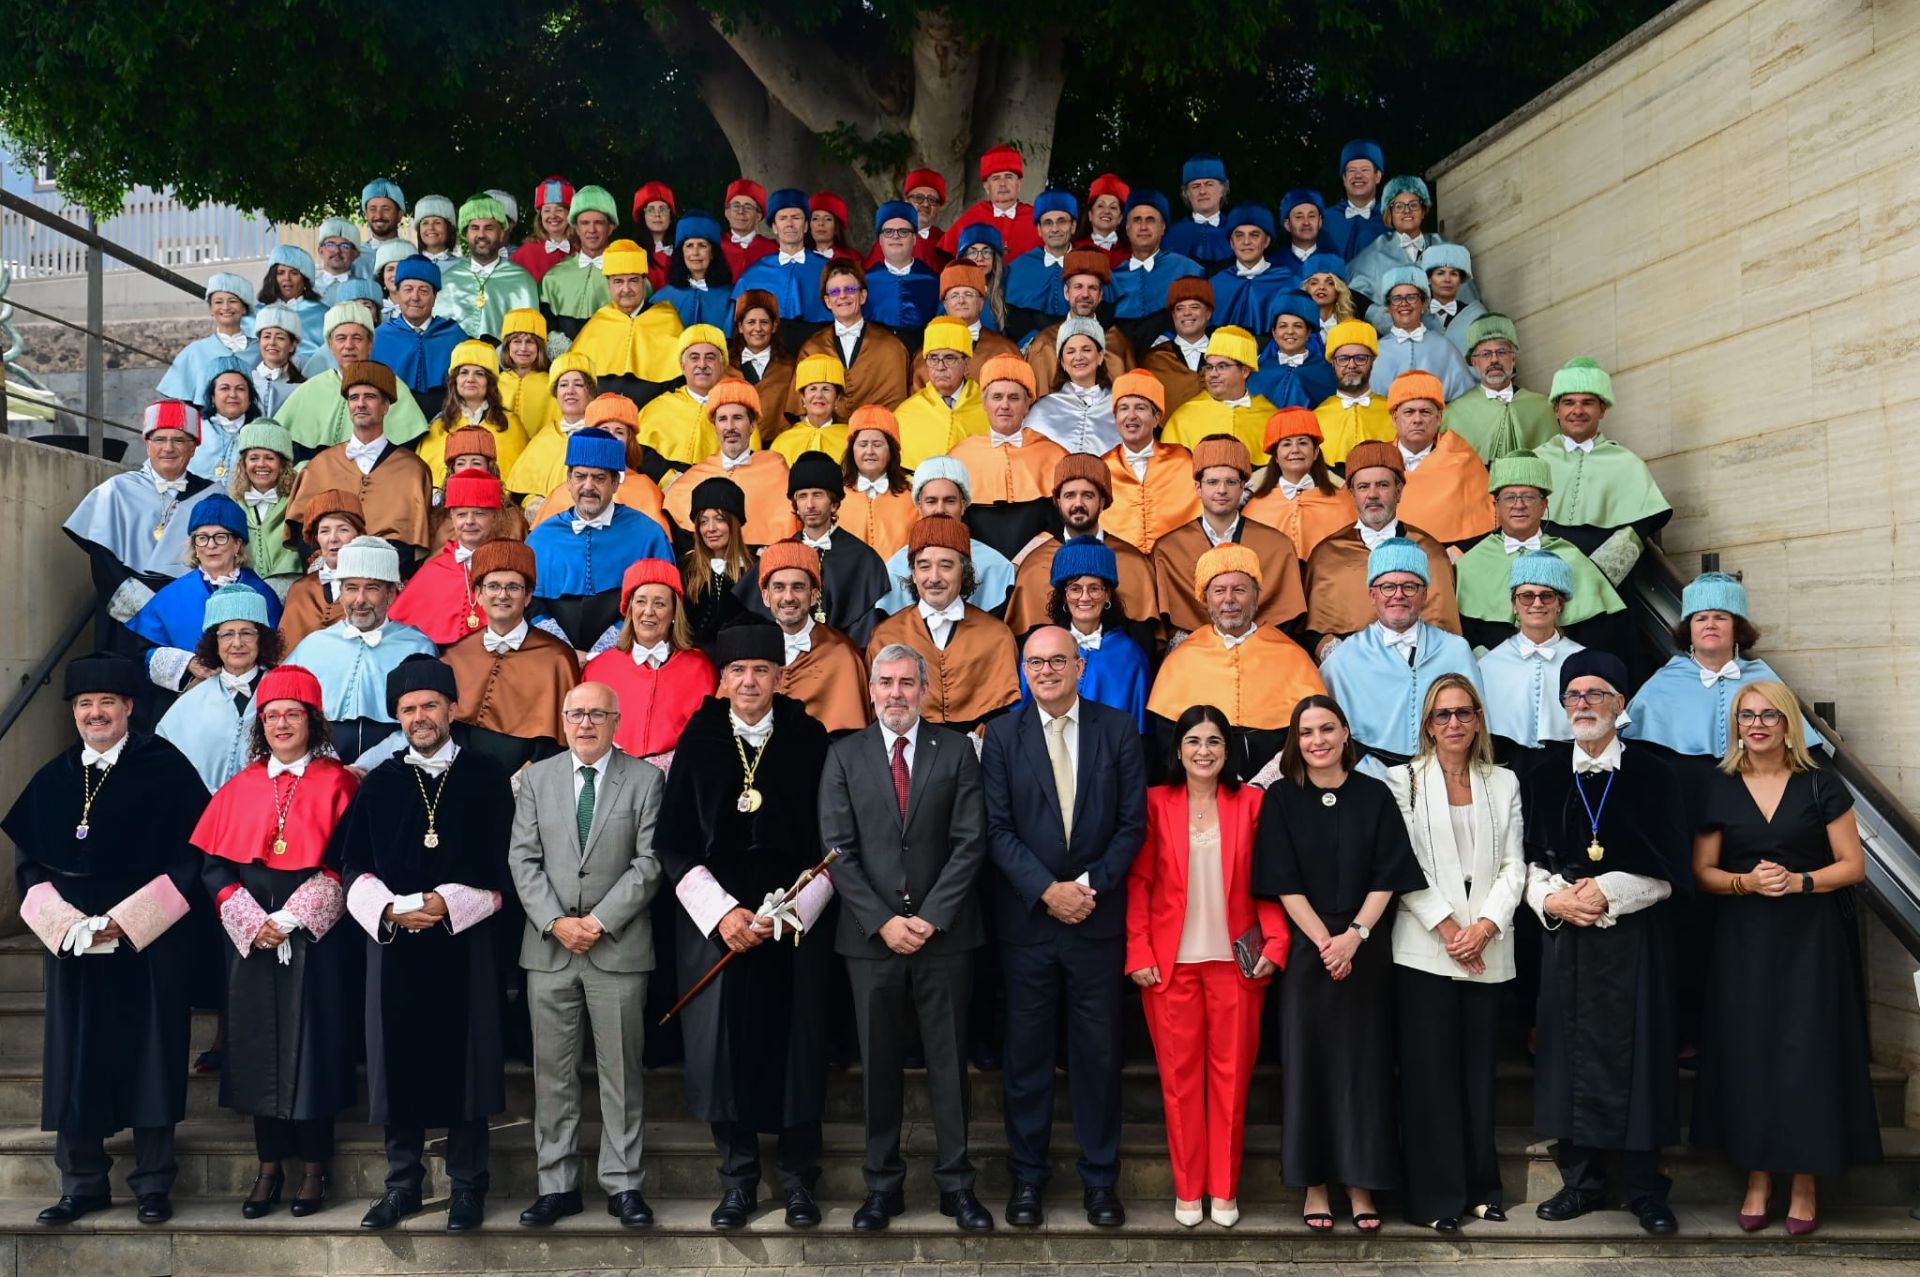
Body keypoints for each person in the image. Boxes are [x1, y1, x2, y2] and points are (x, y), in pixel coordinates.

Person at [8, 654, 208, 1225]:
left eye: (106, 703)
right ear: (74, 712)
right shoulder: (53, 778)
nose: (95, 713)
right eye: (84, 704)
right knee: (74, 1059)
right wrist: (65, 923)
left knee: (152, 1057)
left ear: (128, 708)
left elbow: (190, 860)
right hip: (74, 943)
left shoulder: (167, 769)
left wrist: (129, 921)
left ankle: (153, 1184)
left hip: (148, 942)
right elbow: (28, 866)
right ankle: (82, 1183)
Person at [653, 621, 837, 1229]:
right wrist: (723, 914)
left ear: (780, 676)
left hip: (794, 923)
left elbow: (835, 839)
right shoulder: (698, 739)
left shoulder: (809, 739)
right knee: (723, 1053)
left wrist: (792, 911)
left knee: (797, 1049)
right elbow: (673, 844)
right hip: (718, 925)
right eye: (738, 671)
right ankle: (737, 1180)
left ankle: (799, 1179)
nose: (750, 681)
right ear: (723, 679)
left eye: (762, 670)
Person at [1690, 681, 1880, 1236]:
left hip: (1811, 939)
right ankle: (1758, 1177)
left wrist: (1799, 881)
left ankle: (1804, 1181)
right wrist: (1745, 883)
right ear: (1736, 725)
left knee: (1807, 1053)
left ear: (1788, 723)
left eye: (1769, 715)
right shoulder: (1719, 787)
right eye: (1747, 715)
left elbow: (1852, 866)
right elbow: (1703, 872)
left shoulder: (1821, 784)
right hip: (1743, 939)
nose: (1757, 725)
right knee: (1749, 1053)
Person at [818, 643, 994, 1233]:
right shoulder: (844, 754)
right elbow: (836, 849)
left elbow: (971, 841)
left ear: (924, 690)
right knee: (878, 1066)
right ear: (871, 691)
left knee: (949, 1063)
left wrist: (931, 916)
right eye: (886, 683)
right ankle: (881, 1188)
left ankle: (957, 1186)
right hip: (871, 940)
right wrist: (884, 921)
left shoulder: (957, 750)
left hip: (945, 936)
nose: (896, 693)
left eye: (906, 683)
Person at [337, 657, 511, 1232]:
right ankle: (402, 1185)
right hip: (396, 946)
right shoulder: (380, 782)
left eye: (430, 705)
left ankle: (468, 1186)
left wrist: (447, 902)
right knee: (397, 1062)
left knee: (468, 1066)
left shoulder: (486, 776)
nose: (420, 717)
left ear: (452, 709)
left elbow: (505, 865)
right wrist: (388, 909)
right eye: (408, 709)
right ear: (398, 717)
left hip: (464, 943)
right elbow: (353, 866)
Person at [982, 626, 1148, 1228]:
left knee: (1097, 1057)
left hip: (1096, 920)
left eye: (1058, 660)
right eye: (1035, 662)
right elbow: (996, 828)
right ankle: (1027, 1178)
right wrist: (1047, 891)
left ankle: (1100, 1180)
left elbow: (1132, 823)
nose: (1047, 671)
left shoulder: (1117, 729)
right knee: (1027, 1057)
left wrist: (1088, 887)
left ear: (1081, 667)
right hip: (1029, 923)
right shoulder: (1002, 735)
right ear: (1023, 671)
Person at [1523, 650, 1689, 1236]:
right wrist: (1552, 900)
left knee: (1640, 1059)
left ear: (1620, 704)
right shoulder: (1542, 774)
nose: (1584, 704)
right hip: (1566, 938)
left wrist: (1607, 891)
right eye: (1574, 695)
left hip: (1635, 940)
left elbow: (1671, 869)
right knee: (1570, 1057)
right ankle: (1581, 1183)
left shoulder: (1655, 772)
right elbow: (1525, 861)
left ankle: (1644, 1189)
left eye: (1596, 694)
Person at [1251, 693, 1425, 1234]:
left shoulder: (1374, 794)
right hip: (1309, 951)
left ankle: (1360, 1182)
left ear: (1346, 733)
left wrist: (1354, 937)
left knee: (1363, 1068)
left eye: (1327, 729)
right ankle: (1315, 1184)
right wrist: (1327, 943)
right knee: (1308, 1066)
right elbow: (1282, 880)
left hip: (1364, 948)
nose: (1317, 741)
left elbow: (1389, 873)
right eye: (1306, 733)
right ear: (1294, 742)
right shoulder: (1281, 798)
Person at [190, 664, 357, 1220]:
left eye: (292, 714)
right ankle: (268, 1166)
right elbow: (214, 867)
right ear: (261, 725)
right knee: (258, 1048)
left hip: (314, 938)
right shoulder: (240, 786)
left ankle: (314, 1167)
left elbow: (348, 862)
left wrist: (293, 917)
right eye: (271, 716)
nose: (282, 724)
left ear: (313, 721)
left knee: (313, 1049)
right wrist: (249, 918)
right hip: (252, 939)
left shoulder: (339, 783)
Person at [507, 680, 664, 1230]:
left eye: (598, 714)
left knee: (621, 1073)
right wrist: (556, 922)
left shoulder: (645, 779)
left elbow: (649, 863)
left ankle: (624, 1185)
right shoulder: (536, 779)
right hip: (549, 948)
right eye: (576, 714)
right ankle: (557, 1186)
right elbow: (523, 859)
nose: (586, 724)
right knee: (552, 1075)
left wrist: (596, 922)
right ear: (563, 720)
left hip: (616, 946)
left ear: (617, 721)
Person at [1127, 703, 1286, 1227]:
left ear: (1228, 750)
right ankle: (1188, 1189)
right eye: (1193, 741)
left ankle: (1224, 1189)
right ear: (1177, 749)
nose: (1203, 750)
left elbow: (1268, 880)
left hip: (1237, 964)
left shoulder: (1252, 803)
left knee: (1231, 1082)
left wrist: (1276, 943)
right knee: (1179, 1083)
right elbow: (1140, 883)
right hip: (1169, 965)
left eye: (1214, 741)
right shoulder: (1154, 802)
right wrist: (1138, 950)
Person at [1384, 675, 1525, 1231]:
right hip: (1425, 948)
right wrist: (1449, 929)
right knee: (1429, 1079)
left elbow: (1515, 864)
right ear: (1427, 724)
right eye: (1442, 715)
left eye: (1464, 713)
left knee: (1477, 1078)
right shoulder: (1402, 780)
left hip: (1487, 947)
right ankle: (1435, 1200)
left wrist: (1486, 925)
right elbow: (1402, 863)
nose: (1454, 724)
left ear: (1478, 719)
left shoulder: (1504, 781)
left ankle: (1481, 1191)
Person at [1146, 546, 1326, 778]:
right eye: (1219, 591)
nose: (1229, 599)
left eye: (1239, 590)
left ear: (1257, 596)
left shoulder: (1292, 655)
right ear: (1206, 599)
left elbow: (1313, 732)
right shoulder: (1181, 658)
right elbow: (1167, 743)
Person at [63, 401, 217, 673]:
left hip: (189, 608)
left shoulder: (213, 495)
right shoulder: (116, 490)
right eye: (160, 439)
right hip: (128, 613)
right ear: (147, 444)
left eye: (179, 440)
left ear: (194, 447)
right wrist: (146, 611)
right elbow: (103, 561)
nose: (168, 448)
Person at [1319, 538, 1483, 766]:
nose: (1398, 595)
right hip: (1372, 776)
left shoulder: (1455, 650)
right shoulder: (1343, 659)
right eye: (1388, 587)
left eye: (1409, 586)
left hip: (1446, 772)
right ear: (1372, 595)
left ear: (1424, 594)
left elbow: (1477, 724)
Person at [1627, 571, 1821, 761]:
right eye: (1701, 618)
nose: (1710, 625)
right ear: (1689, 629)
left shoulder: (1763, 677)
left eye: (1720, 617)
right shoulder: (1663, 683)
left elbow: (1795, 749)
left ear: (1737, 628)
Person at [281, 536, 437, 760]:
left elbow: (426, 722)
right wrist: (326, 762)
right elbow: (285, 712)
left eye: (371, 588)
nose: (360, 599)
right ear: (341, 593)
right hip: (320, 762)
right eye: (351, 588)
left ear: (390, 594)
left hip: (394, 764)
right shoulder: (313, 645)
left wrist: (369, 764)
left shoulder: (417, 646)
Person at [1454, 456, 1627, 654]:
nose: (1519, 505)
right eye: (1510, 497)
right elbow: (1463, 630)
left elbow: (1596, 631)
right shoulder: (1471, 562)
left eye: (1528, 497)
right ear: (1496, 506)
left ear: (1544, 505)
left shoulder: (1571, 557)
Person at [525, 427, 675, 652]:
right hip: (553, 654)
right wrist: (564, 652)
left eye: (599, 478)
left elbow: (663, 603)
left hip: (627, 653)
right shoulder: (541, 537)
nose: (588, 486)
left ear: (615, 483)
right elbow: (530, 605)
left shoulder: (648, 534)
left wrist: (604, 651)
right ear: (568, 481)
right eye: (580, 476)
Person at [866, 516, 1019, 734]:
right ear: (914, 574)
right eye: (924, 566)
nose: (934, 577)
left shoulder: (997, 635)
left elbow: (1004, 715)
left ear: (963, 572)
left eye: (946, 566)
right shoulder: (885, 635)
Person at [1302, 440, 1461, 649]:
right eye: (1363, 487)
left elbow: (1444, 630)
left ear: (1399, 491)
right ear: (1352, 494)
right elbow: (1314, 633)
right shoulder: (1325, 555)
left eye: (1382, 485)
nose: (1372, 495)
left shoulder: (1430, 552)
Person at [438, 539, 580, 769]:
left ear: (528, 596)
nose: (502, 595)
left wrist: (520, 781)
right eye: (493, 586)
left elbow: (558, 741)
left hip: (528, 778)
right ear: (478, 594)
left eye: (513, 587)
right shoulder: (456, 654)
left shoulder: (558, 658)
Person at [127, 492, 284, 695]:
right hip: (188, 696)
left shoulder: (262, 594)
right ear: (194, 546)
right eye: (202, 538)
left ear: (237, 544)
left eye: (220, 536)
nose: (211, 545)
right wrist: (187, 663)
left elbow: (275, 652)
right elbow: (141, 652)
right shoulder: (171, 596)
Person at [1149, 435, 1305, 639]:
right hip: (1194, 652)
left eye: (1231, 482)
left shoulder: (1277, 546)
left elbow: (1288, 618)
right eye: (1212, 482)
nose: (1222, 490)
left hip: (1262, 650)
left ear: (1242, 487)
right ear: (1198, 488)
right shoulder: (1169, 549)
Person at [734, 452, 889, 647]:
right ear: (795, 505)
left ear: (834, 504)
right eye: (802, 496)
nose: (810, 505)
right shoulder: (777, 554)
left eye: (818, 495)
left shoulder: (863, 558)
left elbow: (865, 630)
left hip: (842, 655)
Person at [283, 361, 434, 561]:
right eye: (354, 397)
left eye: (369, 397)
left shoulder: (413, 470)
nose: (360, 404)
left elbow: (414, 544)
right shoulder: (319, 465)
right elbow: (303, 534)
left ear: (385, 406)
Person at [1530, 357, 1671, 567]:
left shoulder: (1627, 463)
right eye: (1569, 402)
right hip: (1540, 570)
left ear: (1602, 410)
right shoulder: (1534, 461)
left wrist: (1597, 572)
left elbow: (1638, 529)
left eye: (1587, 402)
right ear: (1556, 409)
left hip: (1602, 574)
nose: (1578, 410)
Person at [1002, 454, 1158, 640]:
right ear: (1058, 502)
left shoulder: (1133, 562)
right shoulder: (1034, 566)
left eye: (1087, 495)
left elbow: (1144, 643)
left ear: (1102, 501)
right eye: (1070, 495)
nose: (1078, 504)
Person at [580, 559, 718, 757]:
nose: (648, 611)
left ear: (674, 613)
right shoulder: (599, 668)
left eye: (659, 603)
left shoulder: (700, 668)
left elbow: (707, 736)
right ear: (629, 609)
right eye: (641, 601)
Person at [155, 585, 283, 792]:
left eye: (246, 633)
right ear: (215, 642)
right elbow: (164, 764)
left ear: (262, 639)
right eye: (227, 635)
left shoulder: (284, 690)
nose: (237, 643)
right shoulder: (190, 702)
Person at [739, 541, 872, 733]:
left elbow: (853, 740)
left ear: (814, 596)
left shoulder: (843, 655)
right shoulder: (747, 649)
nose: (788, 597)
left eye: (798, 587)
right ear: (766, 596)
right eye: (779, 587)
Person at [1475, 552, 1586, 776]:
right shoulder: (1488, 664)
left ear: (1560, 604)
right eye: (1526, 596)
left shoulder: (1584, 660)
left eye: (1547, 596)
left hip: (1569, 769)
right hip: (1504, 769)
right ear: (1514, 605)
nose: (1537, 603)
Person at [274, 306, 430, 458]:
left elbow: (407, 453)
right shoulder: (310, 389)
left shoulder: (392, 385)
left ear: (370, 345)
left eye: (357, 338)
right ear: (330, 346)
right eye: (341, 338)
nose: (349, 346)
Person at [871, 457, 1017, 615]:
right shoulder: (895, 568)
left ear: (963, 505)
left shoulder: (996, 566)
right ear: (919, 506)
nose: (940, 509)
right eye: (931, 501)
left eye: (949, 501)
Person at [661, 380, 800, 545]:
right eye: (722, 419)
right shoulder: (697, 474)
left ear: (752, 425)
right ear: (715, 427)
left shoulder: (776, 468)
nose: (730, 427)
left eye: (737, 418)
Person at [1383, 370, 1495, 548]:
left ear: (1439, 418)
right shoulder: (1376, 460)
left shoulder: (1463, 459)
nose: (1417, 419)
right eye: (1409, 412)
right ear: (1395, 419)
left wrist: (1459, 552)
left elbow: (1484, 521)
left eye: (1425, 412)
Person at [569, 241, 686, 408]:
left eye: (633, 280)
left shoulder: (667, 320)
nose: (626, 289)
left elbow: (678, 383)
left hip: (655, 415)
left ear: (644, 281)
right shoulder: (598, 322)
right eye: (618, 281)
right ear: (608, 284)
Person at [788, 259, 912, 414]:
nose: (842, 296)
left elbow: (897, 408)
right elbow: (800, 410)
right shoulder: (811, 348)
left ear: (863, 296)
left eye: (849, 289)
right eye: (834, 292)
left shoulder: (891, 347)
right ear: (827, 301)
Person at [1100, 370, 1200, 554]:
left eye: (1140, 407)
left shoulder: (1183, 462)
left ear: (1156, 418)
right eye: (1123, 408)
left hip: (1175, 562)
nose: (1131, 415)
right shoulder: (1101, 468)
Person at [416, 340, 531, 487]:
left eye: (479, 374)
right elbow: (426, 479)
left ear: (489, 382)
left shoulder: (510, 424)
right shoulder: (439, 426)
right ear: (455, 380)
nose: (470, 379)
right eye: (464, 372)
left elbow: (521, 479)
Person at [1242, 408, 1351, 561]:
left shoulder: (1343, 502)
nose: (1295, 450)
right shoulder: (1255, 507)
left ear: (1315, 452)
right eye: (1286, 444)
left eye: (1302, 443)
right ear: (1276, 456)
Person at [1443, 315, 1556, 462]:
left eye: (1501, 352)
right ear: (1474, 362)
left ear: (1513, 359)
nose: (1494, 359)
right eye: (1486, 354)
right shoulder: (1455, 414)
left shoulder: (1541, 408)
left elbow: (1554, 461)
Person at [731, 190, 833, 352]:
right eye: (783, 218)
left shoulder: (829, 269)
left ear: (806, 226)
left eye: (796, 218)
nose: (789, 224)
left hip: (818, 350)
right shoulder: (753, 274)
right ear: (774, 227)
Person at [1023, 250, 1137, 391]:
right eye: (1078, 287)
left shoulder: (1118, 343)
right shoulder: (1043, 345)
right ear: (1066, 292)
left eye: (1092, 288)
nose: (1085, 294)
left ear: (1101, 295)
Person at [1161, 326, 1277, 463]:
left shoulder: (1270, 417)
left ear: (1245, 371)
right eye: (1209, 367)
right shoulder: (1183, 418)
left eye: (1222, 366)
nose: (1213, 374)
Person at [435, 194, 540, 340]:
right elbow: (438, 337)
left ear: (501, 233)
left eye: (489, 228)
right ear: (466, 233)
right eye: (475, 228)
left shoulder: (522, 280)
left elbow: (530, 339)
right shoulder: (448, 280)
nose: (481, 235)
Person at [371, 258, 465, 419]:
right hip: (392, 421)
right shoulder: (379, 337)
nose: (415, 297)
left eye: (424, 291)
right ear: (397, 294)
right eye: (408, 289)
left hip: (447, 420)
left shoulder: (454, 335)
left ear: (435, 297)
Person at [634, 324, 733, 471]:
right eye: (694, 358)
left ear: (722, 365)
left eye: (710, 357)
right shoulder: (658, 408)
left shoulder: (737, 411)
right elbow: (640, 456)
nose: (702, 364)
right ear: (683, 366)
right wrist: (669, 478)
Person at [1366, 269, 1475, 402]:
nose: (1404, 303)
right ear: (1388, 307)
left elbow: (1465, 401)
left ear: (1424, 304)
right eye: (1397, 298)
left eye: (1411, 297)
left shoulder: (1443, 347)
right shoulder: (1375, 351)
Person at [895, 318, 989, 467]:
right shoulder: (906, 413)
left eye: (949, 358)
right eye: (933, 358)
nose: (940, 367)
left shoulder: (989, 407)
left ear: (966, 364)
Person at [277, 490, 365, 651]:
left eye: (343, 530)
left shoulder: (377, 586)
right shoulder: (300, 589)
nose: (333, 538)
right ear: (316, 538)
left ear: (358, 535)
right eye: (325, 531)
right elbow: (285, 652)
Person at [675, 479, 755, 652]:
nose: (710, 528)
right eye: (703, 521)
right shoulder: (684, 569)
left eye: (719, 519)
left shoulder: (755, 569)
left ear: (734, 523)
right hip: (695, 660)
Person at [228, 418, 303, 594]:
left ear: (283, 464)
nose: (261, 464)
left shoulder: (298, 500)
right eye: (253, 458)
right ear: (243, 463)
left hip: (292, 587)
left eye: (269, 458)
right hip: (245, 588)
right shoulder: (233, 504)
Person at [158, 273, 258, 404]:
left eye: (233, 301)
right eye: (218, 302)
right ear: (211, 309)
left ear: (244, 308)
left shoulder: (261, 350)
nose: (225, 307)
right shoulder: (194, 352)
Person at [1024, 317, 1119, 455]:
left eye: (1086, 350)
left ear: (1100, 357)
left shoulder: (1119, 406)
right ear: (1062, 362)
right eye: (1070, 352)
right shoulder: (1042, 409)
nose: (1078, 357)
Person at [538, 184, 620, 340]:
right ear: (576, 228)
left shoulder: (628, 276)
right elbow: (545, 326)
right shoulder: (553, 277)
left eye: (599, 223)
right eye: (585, 223)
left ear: (610, 227)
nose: (591, 230)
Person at [1309, 320, 1397, 466]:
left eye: (1360, 358)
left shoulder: (1392, 413)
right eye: (1343, 359)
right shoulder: (1316, 417)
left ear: (1372, 361)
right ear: (1333, 363)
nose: (1351, 365)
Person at [840, 406, 918, 561]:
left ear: (891, 451)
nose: (869, 451)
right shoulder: (836, 497)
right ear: (852, 450)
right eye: (862, 444)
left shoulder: (913, 497)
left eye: (877, 444)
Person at [941, 143, 1039, 258]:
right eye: (996, 178)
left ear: (1019, 184)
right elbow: (947, 257)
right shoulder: (973, 216)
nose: (1002, 184)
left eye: (1009, 177)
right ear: (987, 187)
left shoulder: (1037, 219)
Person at [864, 199, 941, 346]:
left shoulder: (933, 281)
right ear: (880, 240)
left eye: (903, 231)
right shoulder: (865, 282)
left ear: (914, 239)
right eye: (888, 232)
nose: (896, 236)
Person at [1136, 278, 1216, 415]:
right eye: (1180, 308)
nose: (1186, 313)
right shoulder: (1154, 360)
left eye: (1194, 307)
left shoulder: (1226, 355)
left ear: (1208, 313)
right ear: (1173, 315)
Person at [189, 355, 263, 480]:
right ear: (212, 397)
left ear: (250, 397)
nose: (233, 395)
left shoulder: (262, 433)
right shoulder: (194, 430)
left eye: (240, 389)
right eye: (224, 388)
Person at [770, 353, 849, 464]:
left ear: (837, 398)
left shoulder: (850, 440)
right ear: (803, 397)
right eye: (813, 389)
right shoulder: (782, 442)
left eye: (826, 389)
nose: (819, 395)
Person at [1163, 154, 1233, 271]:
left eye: (1209, 184)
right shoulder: (1172, 234)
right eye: (1195, 186)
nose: (1202, 191)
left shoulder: (1237, 231)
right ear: (1186, 193)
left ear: (1223, 189)